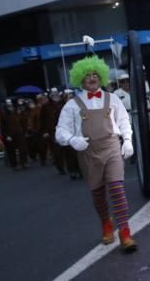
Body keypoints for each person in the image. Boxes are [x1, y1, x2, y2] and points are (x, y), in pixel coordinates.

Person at [55, 55, 138, 252]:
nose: (92, 78)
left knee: (117, 189)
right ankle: (106, 223)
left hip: (111, 147)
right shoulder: (72, 105)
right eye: (87, 75)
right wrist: (71, 139)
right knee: (98, 193)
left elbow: (124, 121)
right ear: (80, 79)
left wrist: (127, 140)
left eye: (95, 74)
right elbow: (60, 131)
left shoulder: (113, 98)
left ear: (101, 76)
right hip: (88, 153)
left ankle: (125, 232)